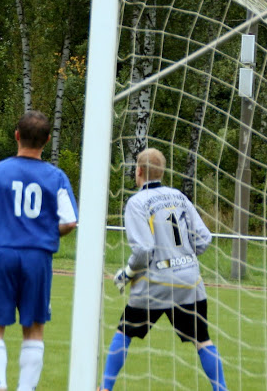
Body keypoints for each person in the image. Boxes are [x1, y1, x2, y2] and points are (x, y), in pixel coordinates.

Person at [99, 147, 227, 391]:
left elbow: (144, 250)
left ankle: (105, 388)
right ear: (162, 171)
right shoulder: (179, 196)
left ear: (138, 171)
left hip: (155, 282)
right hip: (189, 281)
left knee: (125, 332)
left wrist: (128, 273)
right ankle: (221, 389)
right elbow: (204, 239)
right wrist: (182, 256)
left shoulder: (137, 202)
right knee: (202, 340)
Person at [0, 110, 78, 391]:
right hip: (37, 257)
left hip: (1, 253)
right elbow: (70, 221)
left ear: (16, 135)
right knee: (34, 328)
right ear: (48, 140)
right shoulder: (57, 177)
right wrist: (44, 233)